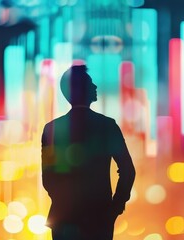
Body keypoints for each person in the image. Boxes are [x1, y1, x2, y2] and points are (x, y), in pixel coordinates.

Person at [41, 65, 136, 240]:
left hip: (63, 218)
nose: (95, 87)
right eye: (90, 83)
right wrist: (115, 206)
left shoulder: (51, 130)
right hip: (99, 218)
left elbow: (48, 176)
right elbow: (127, 170)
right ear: (81, 89)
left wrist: (65, 202)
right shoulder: (107, 126)